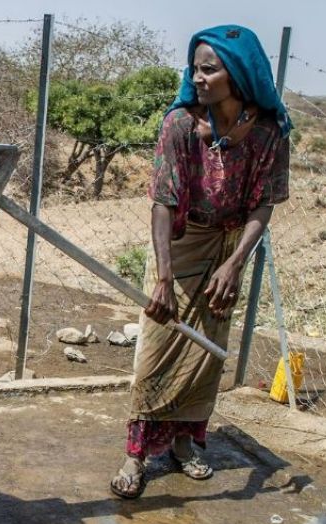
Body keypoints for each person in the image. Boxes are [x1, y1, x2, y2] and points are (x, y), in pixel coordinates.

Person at [110, 25, 291, 499]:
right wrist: (163, 277)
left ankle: (185, 444)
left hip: (229, 249)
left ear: (239, 74)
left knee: (207, 352)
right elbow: (162, 201)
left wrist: (234, 264)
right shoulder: (181, 125)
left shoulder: (269, 133)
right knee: (157, 348)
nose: (198, 78)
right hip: (181, 245)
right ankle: (136, 454)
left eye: (209, 69)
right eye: (194, 68)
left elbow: (264, 204)